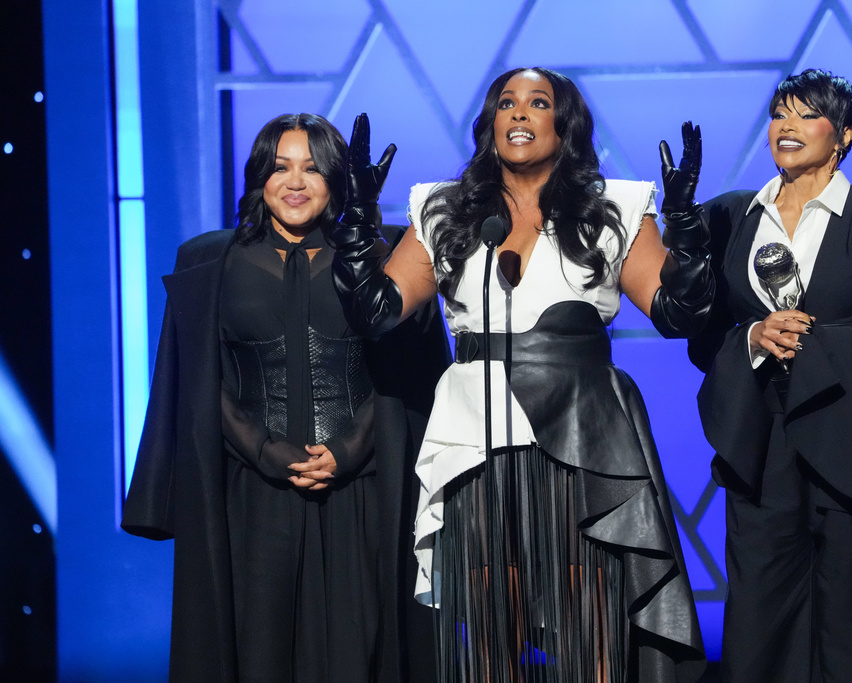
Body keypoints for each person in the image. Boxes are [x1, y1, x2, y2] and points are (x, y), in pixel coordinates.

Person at [331, 68, 711, 682]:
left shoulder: (613, 208)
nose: (520, 113)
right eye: (506, 103)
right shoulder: (447, 211)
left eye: (538, 103)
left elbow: (678, 312)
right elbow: (376, 312)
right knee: (489, 624)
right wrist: (358, 220)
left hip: (583, 438)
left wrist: (685, 225)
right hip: (478, 435)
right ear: (490, 124)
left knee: (589, 622)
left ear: (565, 127)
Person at [121, 113, 449, 682]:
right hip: (250, 494)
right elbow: (199, 382)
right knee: (258, 655)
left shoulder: (386, 257)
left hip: (362, 492)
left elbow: (413, 378)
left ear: (337, 179)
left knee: (359, 654)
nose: (295, 182)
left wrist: (346, 451)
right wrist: (267, 451)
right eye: (280, 167)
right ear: (259, 177)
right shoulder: (209, 262)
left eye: (312, 168)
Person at [688, 69, 852, 682]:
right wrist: (752, 337)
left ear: (845, 135)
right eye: (780, 113)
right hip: (762, 440)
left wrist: (824, 346)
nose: (788, 126)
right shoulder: (731, 216)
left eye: (807, 115)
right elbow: (702, 338)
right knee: (762, 624)